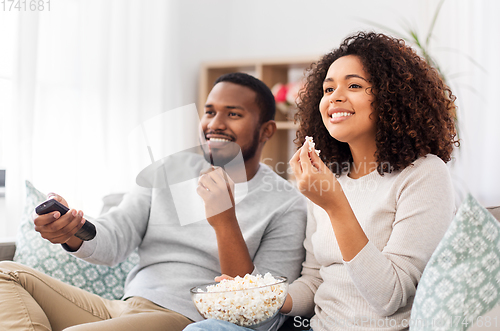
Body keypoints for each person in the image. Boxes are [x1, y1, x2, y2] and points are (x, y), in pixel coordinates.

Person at [184, 31, 458, 331]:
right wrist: (261, 296)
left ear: (392, 97)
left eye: (354, 85)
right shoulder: (330, 176)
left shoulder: (424, 175)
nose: (335, 97)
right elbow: (315, 281)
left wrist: (336, 205)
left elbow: (390, 297)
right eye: (328, 89)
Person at [0, 72, 307, 331]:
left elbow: (261, 310)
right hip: (125, 308)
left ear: (266, 130)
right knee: (6, 275)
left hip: (185, 319)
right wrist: (72, 231)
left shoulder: (286, 204)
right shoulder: (166, 171)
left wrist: (225, 222)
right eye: (210, 111)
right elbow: (115, 236)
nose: (215, 123)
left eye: (234, 113)